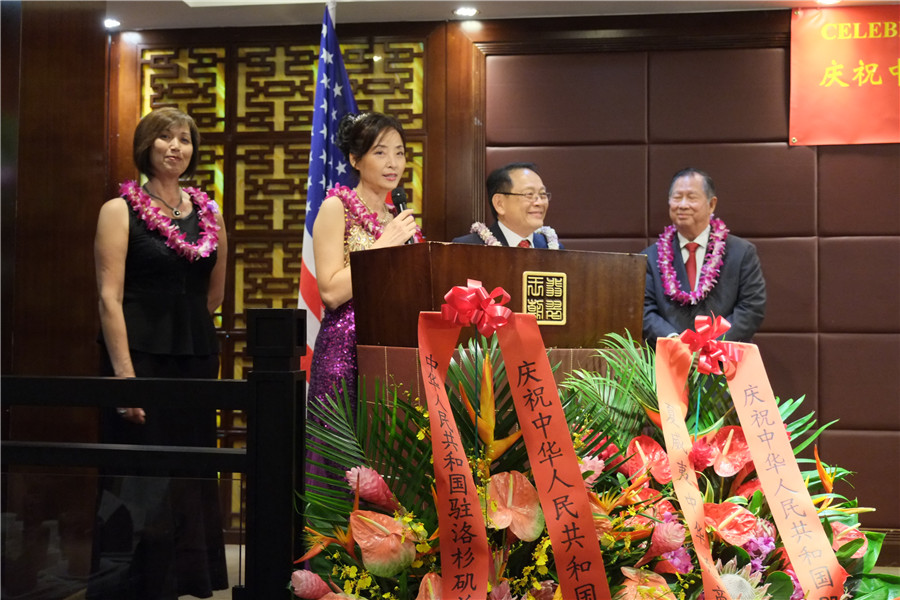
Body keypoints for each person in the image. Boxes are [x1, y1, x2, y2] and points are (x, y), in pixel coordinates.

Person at [90, 107, 229, 599]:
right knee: (140, 472)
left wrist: (185, 325)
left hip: (194, 354)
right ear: (146, 146)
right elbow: (109, 296)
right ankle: (136, 584)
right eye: (165, 138)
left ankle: (189, 577)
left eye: (185, 140)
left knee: (190, 468)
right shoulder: (119, 209)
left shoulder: (209, 212)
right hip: (139, 355)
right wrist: (125, 376)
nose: (176, 147)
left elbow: (213, 293)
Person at [307, 111, 421, 419]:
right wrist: (382, 245)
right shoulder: (336, 208)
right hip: (345, 352)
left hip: (394, 350)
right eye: (380, 152)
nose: (393, 163)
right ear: (355, 159)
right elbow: (330, 292)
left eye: (399, 153)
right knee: (346, 461)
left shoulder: (398, 219)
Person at [641, 167, 766, 348]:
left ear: (712, 204)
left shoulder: (742, 253)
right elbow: (644, 311)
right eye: (677, 197)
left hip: (724, 361)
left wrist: (711, 347)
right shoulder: (649, 258)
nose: (683, 205)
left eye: (691, 197)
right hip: (670, 361)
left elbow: (751, 308)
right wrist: (676, 342)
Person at [452, 162, 563, 249]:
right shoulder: (469, 248)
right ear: (500, 204)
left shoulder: (553, 248)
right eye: (529, 194)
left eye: (542, 194)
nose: (539, 203)